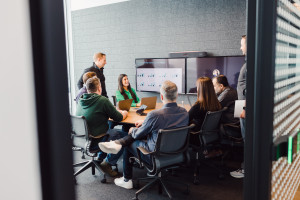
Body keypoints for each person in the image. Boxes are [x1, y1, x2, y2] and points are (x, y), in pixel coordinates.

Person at [99, 80, 189, 189]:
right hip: (178, 153)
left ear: (161, 96)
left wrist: (132, 129)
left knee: (130, 139)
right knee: (141, 134)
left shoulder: (155, 115)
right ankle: (117, 143)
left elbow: (138, 135)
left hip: (153, 155)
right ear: (177, 95)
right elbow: (167, 122)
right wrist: (147, 122)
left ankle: (127, 179)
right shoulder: (184, 113)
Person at [76, 76, 128, 176]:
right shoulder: (102, 100)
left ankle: (100, 158)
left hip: (82, 140)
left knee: (109, 129)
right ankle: (108, 163)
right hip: (95, 140)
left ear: (87, 89)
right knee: (124, 137)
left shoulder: (81, 100)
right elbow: (118, 118)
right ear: (99, 88)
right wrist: (124, 113)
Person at [188, 77, 222, 158]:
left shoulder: (198, 106)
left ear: (200, 89)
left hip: (196, 137)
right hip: (211, 135)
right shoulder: (217, 104)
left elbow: (185, 120)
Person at [230, 35, 247, 179]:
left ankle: (246, 169)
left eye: (242, 44)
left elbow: (250, 87)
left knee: (247, 138)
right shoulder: (247, 62)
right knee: (243, 136)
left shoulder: (250, 63)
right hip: (240, 103)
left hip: (244, 105)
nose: (240, 47)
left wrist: (245, 108)